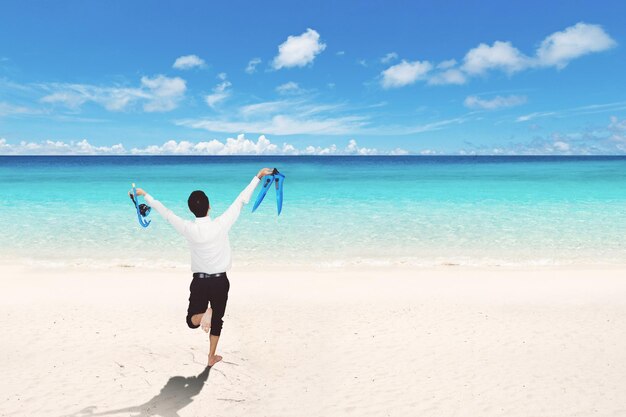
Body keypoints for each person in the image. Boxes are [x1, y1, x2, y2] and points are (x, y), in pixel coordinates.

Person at [131, 168, 274, 367]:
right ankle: (211, 356)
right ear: (209, 207)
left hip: (199, 281)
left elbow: (167, 214)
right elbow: (241, 200)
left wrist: (145, 195)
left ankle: (205, 317)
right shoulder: (221, 224)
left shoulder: (188, 228)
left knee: (191, 321)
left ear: (192, 210)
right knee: (218, 320)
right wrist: (257, 177)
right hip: (220, 281)